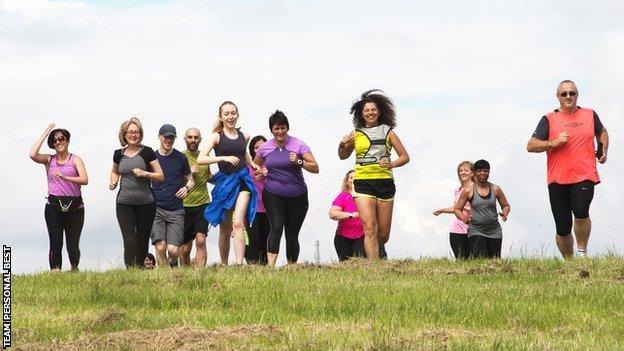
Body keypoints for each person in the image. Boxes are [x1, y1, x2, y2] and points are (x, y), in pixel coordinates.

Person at [527, 80, 609, 258]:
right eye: (564, 94)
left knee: (581, 211)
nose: (568, 96)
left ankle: (582, 253)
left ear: (577, 94)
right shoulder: (549, 119)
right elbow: (531, 145)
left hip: (584, 174)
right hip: (557, 178)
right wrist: (553, 142)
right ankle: (570, 263)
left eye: (572, 93)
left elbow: (602, 132)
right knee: (562, 228)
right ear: (558, 97)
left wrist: (603, 150)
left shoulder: (589, 114)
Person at [338, 90, 410, 259]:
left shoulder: (388, 131)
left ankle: (376, 253)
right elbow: (342, 155)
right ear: (361, 114)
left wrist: (391, 164)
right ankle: (374, 268)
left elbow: (405, 157)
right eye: (366, 110)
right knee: (369, 228)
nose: (370, 113)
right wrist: (342, 144)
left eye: (373, 110)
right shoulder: (355, 134)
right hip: (363, 182)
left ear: (379, 112)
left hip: (384, 182)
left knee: (383, 234)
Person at [254, 110, 319, 266]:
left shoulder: (298, 144)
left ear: (287, 128)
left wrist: (299, 162)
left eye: (283, 127)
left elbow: (315, 168)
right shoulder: (265, 147)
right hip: (272, 194)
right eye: (276, 128)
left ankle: (291, 266)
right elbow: (256, 165)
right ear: (271, 130)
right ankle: (270, 267)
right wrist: (261, 173)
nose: (280, 131)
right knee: (276, 226)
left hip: (298, 196)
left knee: (291, 233)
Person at [198, 101, 259, 265]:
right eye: (226, 114)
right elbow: (201, 158)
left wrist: (252, 164)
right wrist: (222, 158)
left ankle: (239, 263)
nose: (230, 117)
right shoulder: (217, 136)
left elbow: (243, 152)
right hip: (225, 183)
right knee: (225, 230)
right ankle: (224, 263)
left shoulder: (244, 136)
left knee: (238, 222)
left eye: (233, 113)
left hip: (243, 180)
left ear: (237, 114)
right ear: (221, 117)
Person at [29, 123, 88, 272]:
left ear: (67, 141)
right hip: (53, 207)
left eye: (61, 139)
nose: (59, 142)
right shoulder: (49, 160)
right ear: (52, 144)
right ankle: (55, 271)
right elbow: (32, 154)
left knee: (72, 245)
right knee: (56, 242)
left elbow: (85, 180)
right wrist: (45, 133)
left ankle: (74, 266)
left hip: (75, 207)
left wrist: (66, 177)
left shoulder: (75, 160)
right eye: (55, 140)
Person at [110, 117, 164, 269]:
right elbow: (114, 172)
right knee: (129, 239)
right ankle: (130, 270)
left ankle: (139, 269)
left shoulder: (147, 152)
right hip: (124, 203)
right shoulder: (118, 154)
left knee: (142, 239)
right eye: (130, 132)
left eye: (137, 132)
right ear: (124, 134)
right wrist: (113, 181)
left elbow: (160, 175)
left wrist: (145, 173)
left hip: (146, 203)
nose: (134, 135)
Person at [151, 124, 194, 268]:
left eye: (171, 137)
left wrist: (187, 188)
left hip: (176, 209)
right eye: (166, 137)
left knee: (173, 250)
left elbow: (191, 180)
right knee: (160, 247)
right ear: (159, 137)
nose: (168, 140)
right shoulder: (152, 158)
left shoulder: (181, 158)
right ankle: (164, 280)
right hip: (156, 208)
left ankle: (173, 262)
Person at [454, 160, 510, 258]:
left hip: (494, 230)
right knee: (481, 259)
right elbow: (457, 209)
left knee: (495, 261)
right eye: (479, 171)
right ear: (475, 173)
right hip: (476, 230)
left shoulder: (496, 189)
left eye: (485, 171)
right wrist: (463, 217)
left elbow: (506, 205)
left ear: (489, 172)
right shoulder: (468, 191)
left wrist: (505, 213)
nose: (482, 173)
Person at [180, 128, 212, 268]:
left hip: (203, 203)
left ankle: (200, 274)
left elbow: (209, 176)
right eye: (190, 137)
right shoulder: (180, 157)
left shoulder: (205, 156)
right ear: (185, 138)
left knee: (200, 240)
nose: (193, 140)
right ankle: (185, 274)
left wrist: (224, 180)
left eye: (196, 137)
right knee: (185, 248)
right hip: (184, 205)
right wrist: (188, 174)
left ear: (200, 139)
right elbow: (174, 181)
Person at [433, 161, 474, 260]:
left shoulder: (477, 189)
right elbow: (457, 208)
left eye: (466, 170)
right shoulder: (458, 190)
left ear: (472, 173)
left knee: (474, 260)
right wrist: (442, 210)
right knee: (461, 260)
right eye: (460, 171)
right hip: (457, 230)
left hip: (473, 229)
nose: (462, 173)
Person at [329, 170, 366, 261]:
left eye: (356, 177)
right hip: (343, 238)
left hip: (362, 236)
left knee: (361, 264)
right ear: (347, 181)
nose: (353, 180)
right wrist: (351, 215)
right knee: (346, 267)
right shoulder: (343, 196)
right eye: (351, 178)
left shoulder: (366, 197)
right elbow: (332, 213)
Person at [245, 135, 270, 265]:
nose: (260, 150)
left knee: (266, 242)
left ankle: (265, 269)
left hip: (270, 210)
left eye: (263, 147)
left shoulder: (273, 166)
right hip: (252, 211)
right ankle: (252, 267)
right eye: (256, 148)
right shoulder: (247, 168)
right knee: (252, 240)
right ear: (251, 150)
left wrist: (269, 173)